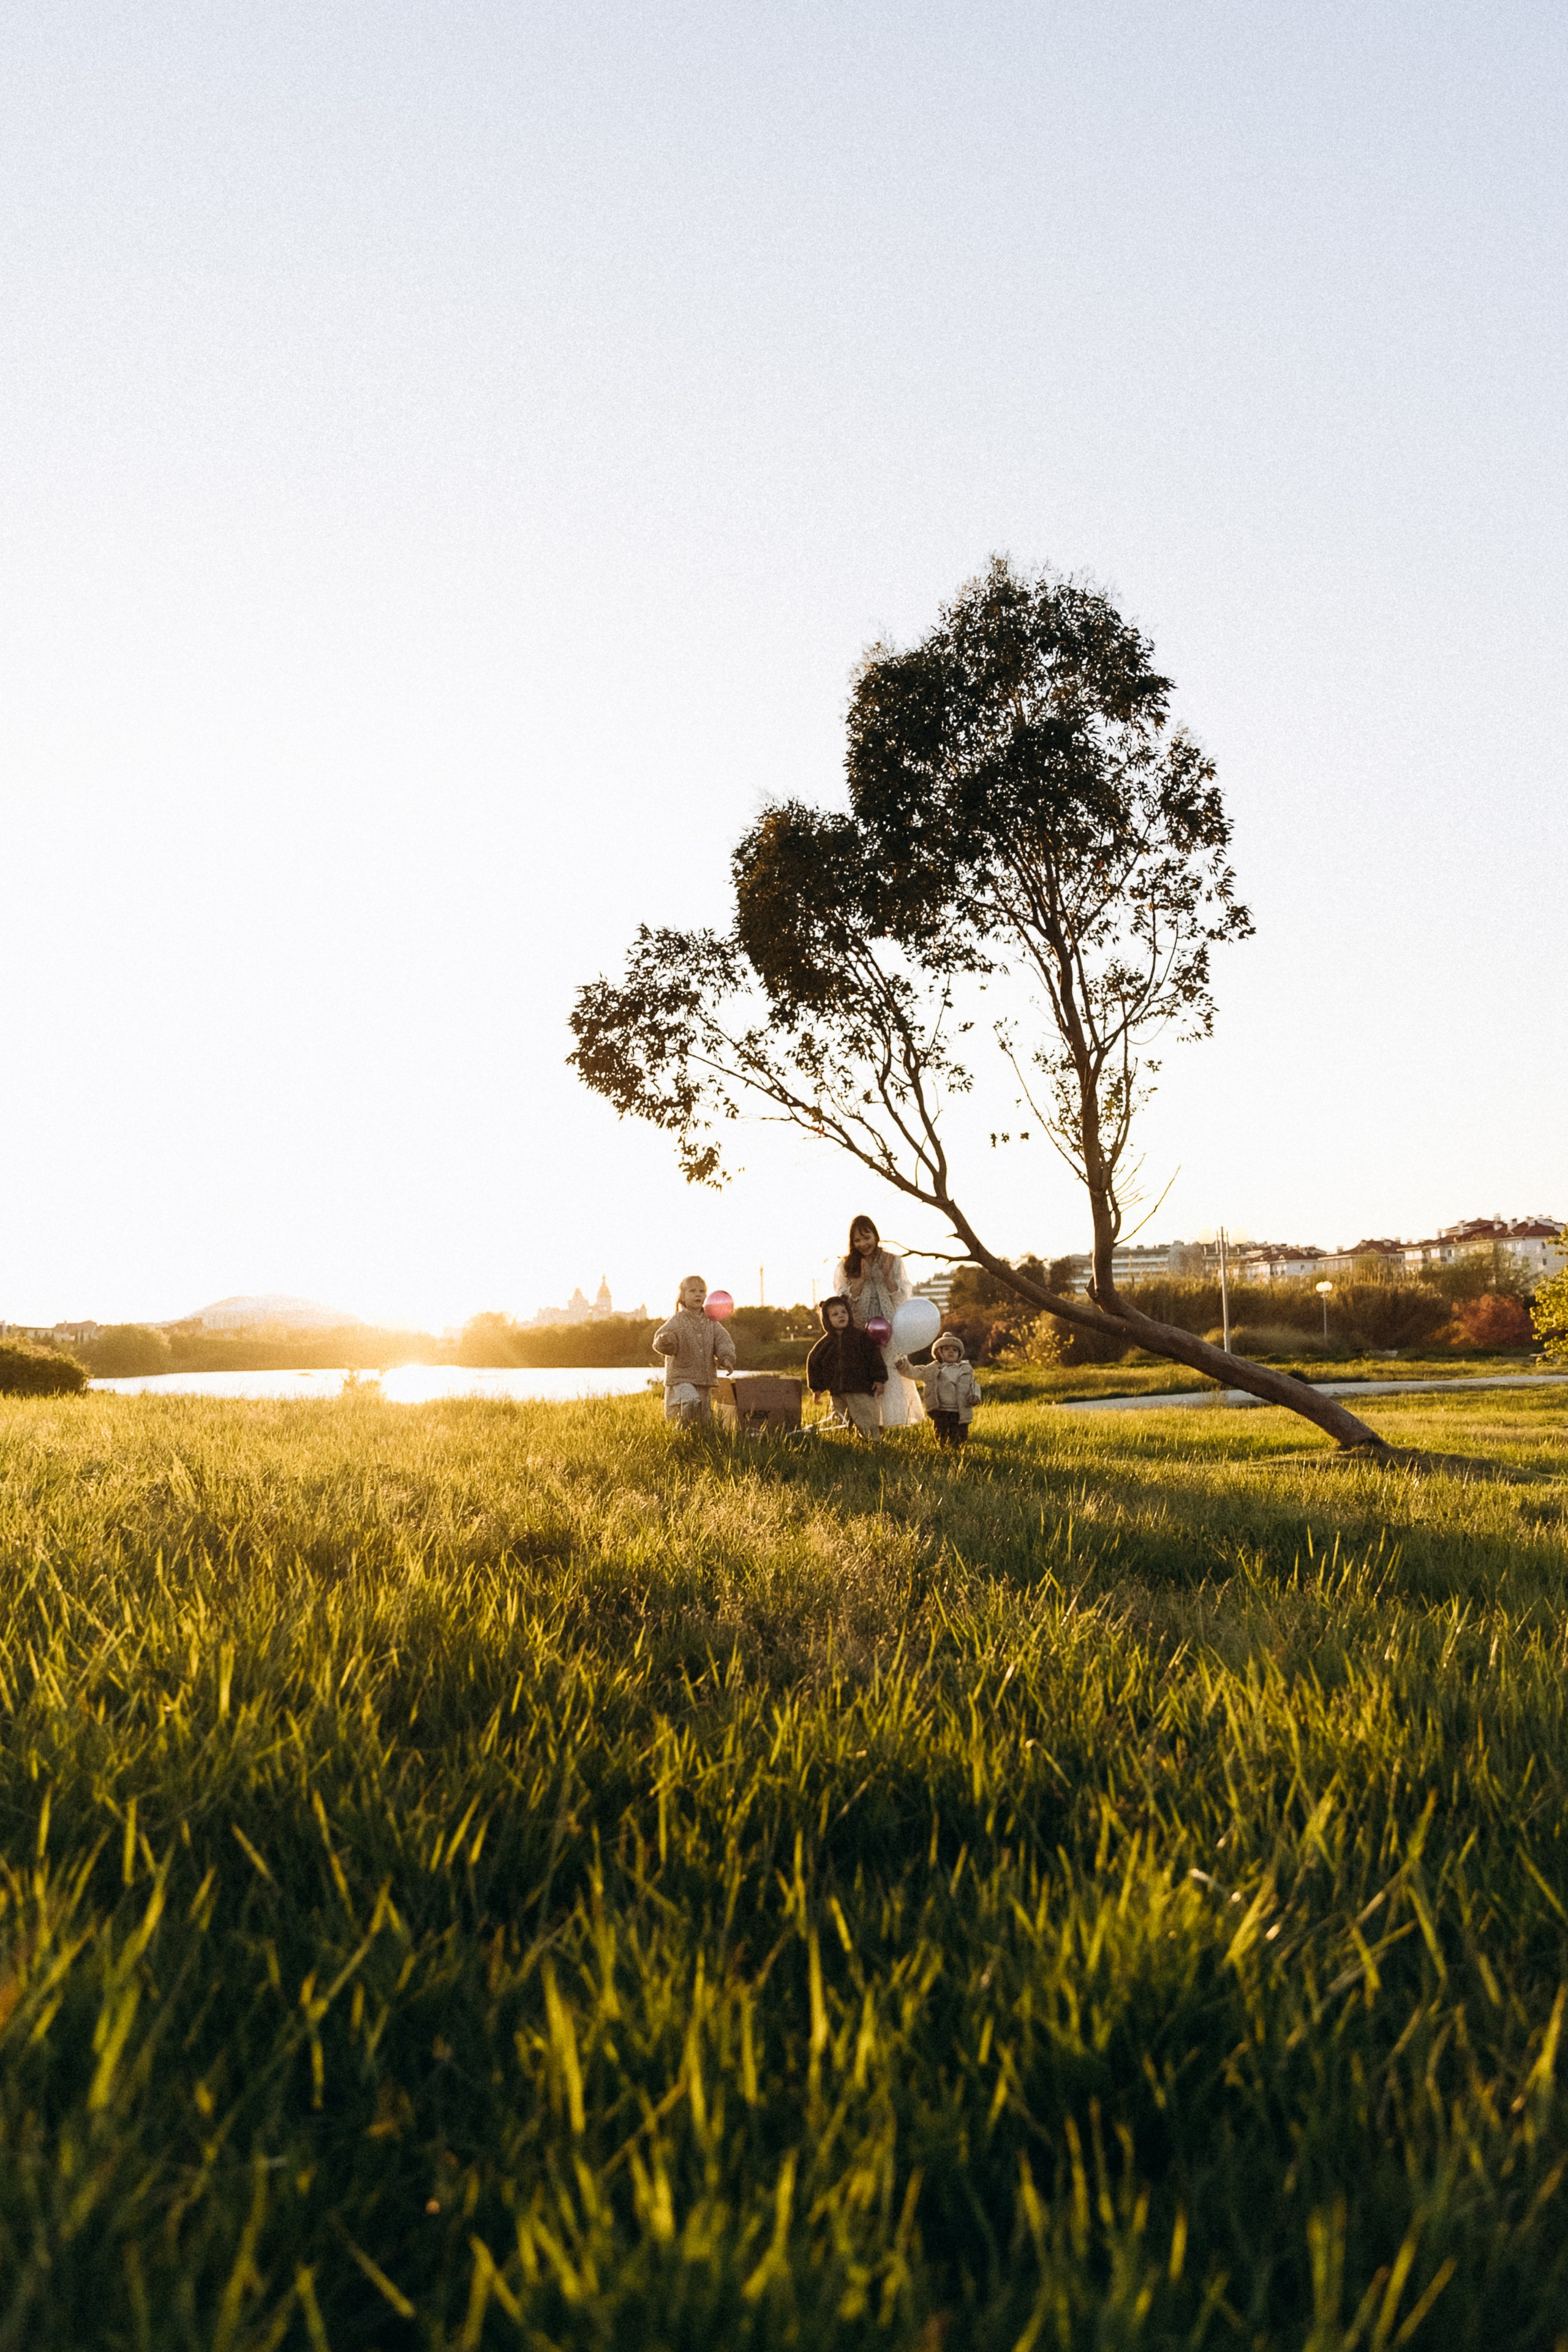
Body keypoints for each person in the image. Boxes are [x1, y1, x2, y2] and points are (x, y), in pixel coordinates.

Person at [832, 1215, 927, 1427]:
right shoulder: (847, 1265)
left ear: (876, 1235)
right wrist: (861, 1281)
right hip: (859, 1325)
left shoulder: (893, 1260)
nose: (863, 1244)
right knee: (862, 1370)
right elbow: (842, 1301)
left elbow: (902, 1298)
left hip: (888, 1325)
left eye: (867, 1238)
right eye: (857, 1240)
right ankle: (863, 1421)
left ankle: (886, 1423)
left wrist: (887, 1278)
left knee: (888, 1368)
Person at [652, 1274, 736, 1424]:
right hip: (681, 1377)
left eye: (702, 1291)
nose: (698, 1294)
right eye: (692, 1291)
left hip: (703, 1377)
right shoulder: (677, 1321)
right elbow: (661, 1338)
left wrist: (726, 1358)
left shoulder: (711, 1322)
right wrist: (665, 1342)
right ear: (682, 1296)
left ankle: (699, 1434)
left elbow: (723, 1341)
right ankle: (680, 1430)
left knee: (703, 1418)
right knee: (690, 1402)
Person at [806, 1295, 888, 1439]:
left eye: (844, 1312)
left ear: (849, 1313)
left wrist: (879, 1379)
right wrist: (817, 1388)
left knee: (866, 1419)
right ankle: (846, 1443)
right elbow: (814, 1364)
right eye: (835, 1314)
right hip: (837, 1392)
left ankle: (873, 1442)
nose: (841, 1316)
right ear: (827, 1320)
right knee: (840, 1421)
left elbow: (874, 1358)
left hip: (860, 1390)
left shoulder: (861, 1338)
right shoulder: (825, 1344)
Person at [905, 1329, 981, 1447]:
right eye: (946, 1349)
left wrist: (974, 1396)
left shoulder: (964, 1368)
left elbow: (973, 1384)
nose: (951, 1352)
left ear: (960, 1354)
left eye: (955, 1350)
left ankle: (957, 1450)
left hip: (959, 1410)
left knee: (959, 1436)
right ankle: (942, 1449)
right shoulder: (932, 1369)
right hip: (940, 1409)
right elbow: (915, 1372)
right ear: (938, 1353)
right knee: (941, 1434)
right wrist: (903, 1365)